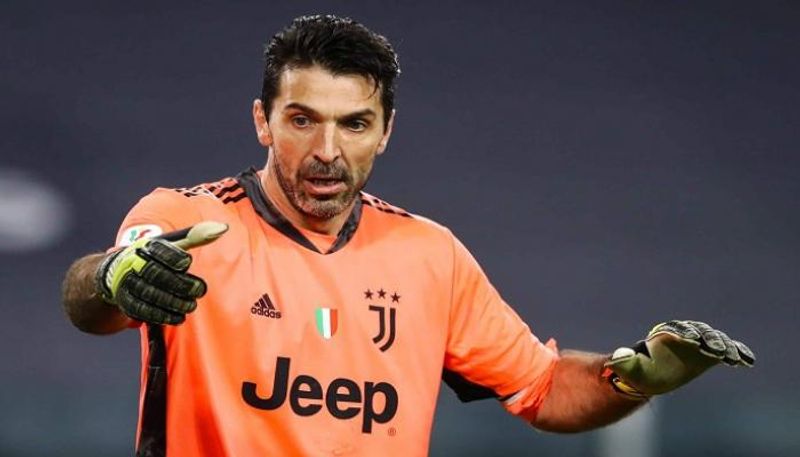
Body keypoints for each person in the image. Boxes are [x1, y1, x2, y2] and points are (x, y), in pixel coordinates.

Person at [61, 14, 755, 457]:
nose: (327, 150)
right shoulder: (189, 221)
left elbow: (542, 388)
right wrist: (115, 277)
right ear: (262, 121)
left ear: (386, 131)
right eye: (303, 119)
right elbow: (90, 299)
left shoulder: (429, 255)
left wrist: (633, 377)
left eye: (354, 124)